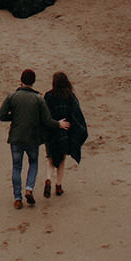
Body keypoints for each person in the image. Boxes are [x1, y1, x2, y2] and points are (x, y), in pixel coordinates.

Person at [0, 69, 66, 209]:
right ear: (33, 82)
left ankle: (17, 198)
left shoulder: (12, 96)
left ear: (21, 80)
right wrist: (58, 124)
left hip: (16, 138)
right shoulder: (39, 99)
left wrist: (15, 116)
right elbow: (47, 120)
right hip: (32, 138)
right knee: (33, 163)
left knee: (17, 167)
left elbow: (2, 115)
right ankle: (29, 188)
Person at [42, 71, 88, 199]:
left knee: (50, 158)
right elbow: (76, 116)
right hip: (64, 133)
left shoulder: (48, 96)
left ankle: (48, 180)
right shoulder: (70, 96)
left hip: (51, 131)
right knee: (61, 159)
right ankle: (58, 186)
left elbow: (44, 115)